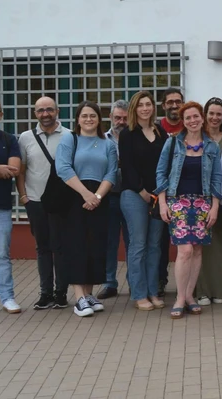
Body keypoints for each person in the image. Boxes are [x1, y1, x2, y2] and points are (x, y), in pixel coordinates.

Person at [154, 102, 222, 319]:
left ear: (202, 118)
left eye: (195, 116)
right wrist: (163, 203)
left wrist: (215, 207)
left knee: (197, 251)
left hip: (203, 203)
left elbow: (217, 178)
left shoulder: (212, 146)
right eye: (188, 118)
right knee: (184, 251)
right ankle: (180, 298)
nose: (192, 121)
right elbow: (161, 173)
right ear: (183, 122)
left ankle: (190, 296)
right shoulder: (173, 143)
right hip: (178, 202)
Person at [56, 101, 118, 317]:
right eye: (84, 116)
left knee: (96, 246)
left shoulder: (108, 144)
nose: (89, 119)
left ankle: (89, 294)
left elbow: (111, 173)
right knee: (77, 246)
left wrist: (97, 196)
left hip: (100, 199)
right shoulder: (69, 139)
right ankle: (79, 298)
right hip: (75, 197)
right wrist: (85, 194)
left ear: (99, 119)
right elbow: (63, 167)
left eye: (93, 115)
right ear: (78, 119)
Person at [16, 96, 69, 310]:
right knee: (42, 248)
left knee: (61, 247)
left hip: (61, 203)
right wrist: (24, 197)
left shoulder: (69, 136)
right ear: (35, 113)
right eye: (40, 110)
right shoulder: (25, 138)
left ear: (57, 111)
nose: (45, 114)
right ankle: (45, 293)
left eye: (49, 109)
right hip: (35, 200)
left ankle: (61, 293)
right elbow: (21, 170)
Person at [117, 91, 168, 311]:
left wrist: (160, 192)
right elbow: (127, 167)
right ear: (134, 109)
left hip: (158, 196)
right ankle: (139, 294)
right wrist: (142, 191)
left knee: (155, 245)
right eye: (141, 105)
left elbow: (166, 164)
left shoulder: (160, 131)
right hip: (134, 195)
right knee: (138, 245)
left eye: (148, 104)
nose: (145, 108)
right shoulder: (127, 134)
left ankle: (153, 291)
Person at [193, 98, 222, 306]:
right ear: (205, 115)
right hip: (198, 196)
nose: (215, 117)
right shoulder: (196, 137)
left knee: (218, 243)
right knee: (200, 244)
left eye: (219, 114)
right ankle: (202, 291)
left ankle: (221, 289)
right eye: (211, 113)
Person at [0, 97, 23, 314]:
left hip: (1, 207)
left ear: (1, 115)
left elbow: (13, 170)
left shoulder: (9, 140)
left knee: (1, 255)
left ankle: (7, 297)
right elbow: (2, 170)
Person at [98, 100, 129, 300]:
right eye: (117, 117)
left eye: (125, 118)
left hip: (131, 195)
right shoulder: (102, 139)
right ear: (110, 117)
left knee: (133, 242)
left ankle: (134, 282)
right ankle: (109, 283)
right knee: (109, 242)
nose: (121, 122)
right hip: (108, 197)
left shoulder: (134, 137)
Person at [156, 87, 184, 296]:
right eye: (170, 102)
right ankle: (159, 281)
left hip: (187, 194)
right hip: (163, 194)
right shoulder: (156, 130)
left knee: (188, 245)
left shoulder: (190, 127)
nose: (175, 105)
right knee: (159, 242)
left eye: (178, 101)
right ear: (163, 105)